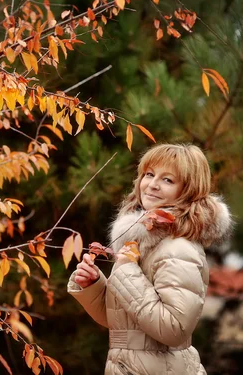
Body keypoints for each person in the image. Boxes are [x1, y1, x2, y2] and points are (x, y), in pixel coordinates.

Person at [67, 143, 233, 374]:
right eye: (149, 174)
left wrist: (126, 271)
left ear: (188, 190)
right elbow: (127, 326)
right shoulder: (143, 242)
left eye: (168, 180)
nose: (153, 185)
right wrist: (94, 286)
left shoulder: (179, 248)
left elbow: (174, 330)